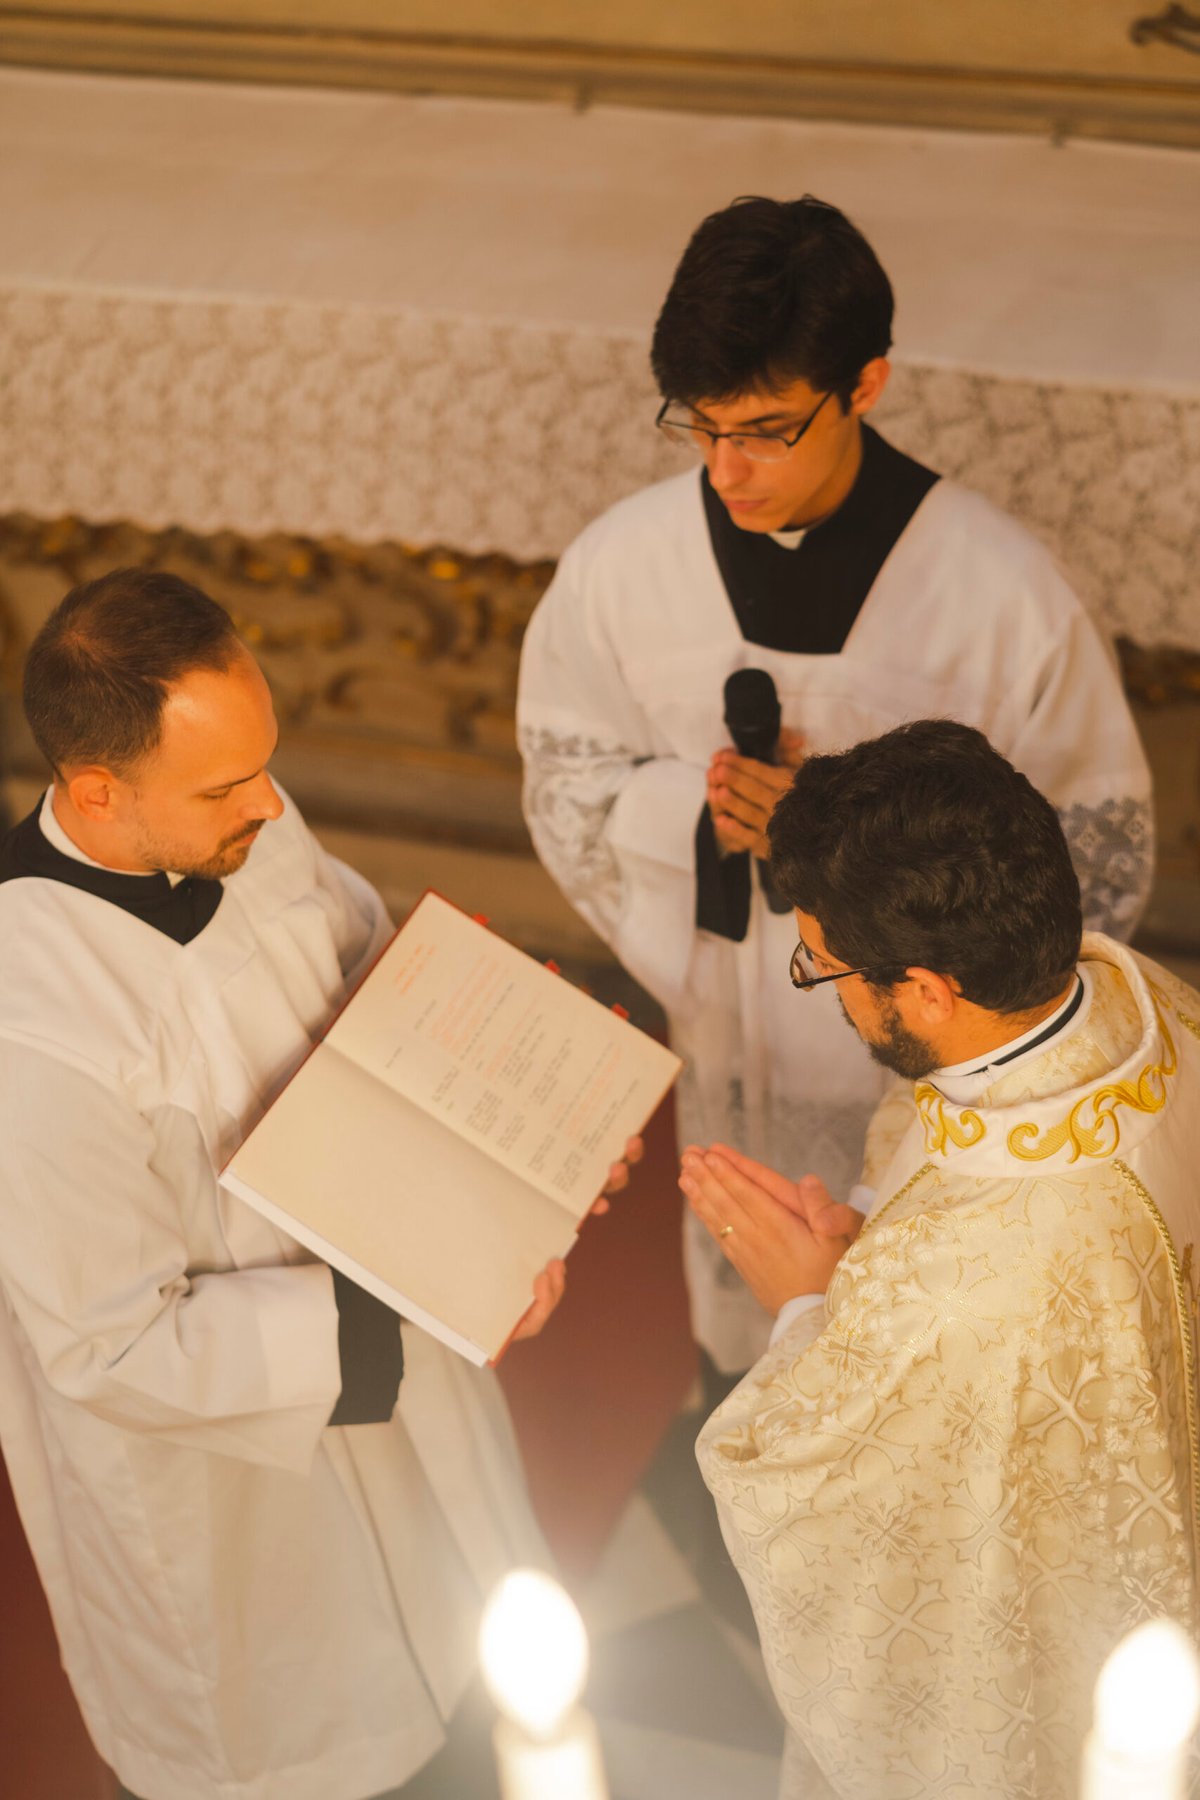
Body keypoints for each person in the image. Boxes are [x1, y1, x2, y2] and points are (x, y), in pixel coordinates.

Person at [0, 568, 635, 1800]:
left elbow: (363, 954)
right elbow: (107, 1347)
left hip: (408, 1378)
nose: (273, 803)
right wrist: (414, 1296)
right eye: (228, 785)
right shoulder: (34, 1028)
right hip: (242, 1492)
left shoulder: (249, 820)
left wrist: (526, 1119)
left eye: (267, 761)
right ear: (95, 792)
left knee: (478, 1682)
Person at [517, 193, 1154, 1385]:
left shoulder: (1000, 591)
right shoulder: (623, 567)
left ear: (866, 384)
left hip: (923, 1068)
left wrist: (859, 846)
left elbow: (1092, 856)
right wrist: (698, 820)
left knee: (902, 1364)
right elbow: (567, 782)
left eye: (764, 428)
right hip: (731, 1033)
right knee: (747, 1347)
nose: (727, 470)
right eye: (698, 428)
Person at [680, 719, 1198, 1800]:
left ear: (925, 991)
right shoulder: (1133, 999)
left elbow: (828, 1491)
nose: (823, 981)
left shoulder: (970, 1277)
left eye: (822, 965)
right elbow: (938, 1136)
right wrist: (869, 1227)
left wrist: (804, 1310)